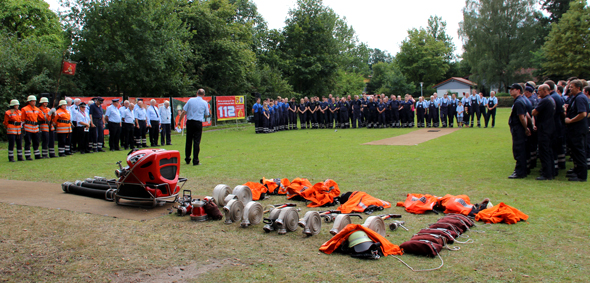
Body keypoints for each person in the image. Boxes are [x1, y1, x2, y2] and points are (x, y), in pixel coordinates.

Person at [563, 79, 588, 182]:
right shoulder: (576, 98)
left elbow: (583, 114)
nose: (570, 89)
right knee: (575, 152)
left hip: (578, 129)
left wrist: (570, 121)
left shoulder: (580, 98)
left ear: (578, 88)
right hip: (574, 130)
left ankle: (582, 176)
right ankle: (577, 171)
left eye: (571, 87)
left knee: (579, 152)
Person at [178, 89, 210, 166]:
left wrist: (179, 120)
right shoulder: (204, 103)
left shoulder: (191, 100)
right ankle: (195, 160)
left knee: (188, 140)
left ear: (196, 93)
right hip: (198, 123)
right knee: (196, 142)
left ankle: (187, 158)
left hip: (189, 122)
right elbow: (206, 114)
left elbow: (183, 111)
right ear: (204, 95)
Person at [532, 84, 556, 180]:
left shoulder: (545, 100)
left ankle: (546, 174)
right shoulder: (551, 99)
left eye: (540, 90)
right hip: (550, 128)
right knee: (549, 151)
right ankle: (551, 171)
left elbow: (534, 112)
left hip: (544, 128)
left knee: (544, 151)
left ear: (545, 90)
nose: (538, 92)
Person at [508, 83, 531, 179]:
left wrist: (526, 128)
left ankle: (520, 172)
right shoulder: (521, 100)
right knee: (520, 149)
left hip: (519, 129)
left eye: (513, 89)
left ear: (518, 90)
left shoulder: (518, 102)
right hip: (519, 128)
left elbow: (522, 117)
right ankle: (522, 170)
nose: (511, 91)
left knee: (519, 150)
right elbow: (527, 115)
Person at [21, 95, 41, 160]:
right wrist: (22, 128)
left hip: (35, 128)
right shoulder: (24, 109)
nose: (34, 102)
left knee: (36, 142)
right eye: (33, 101)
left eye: (35, 101)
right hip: (28, 128)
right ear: (29, 102)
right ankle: (28, 156)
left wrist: (50, 113)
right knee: (28, 142)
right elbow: (22, 119)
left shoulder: (37, 109)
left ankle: (37, 155)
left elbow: (42, 117)